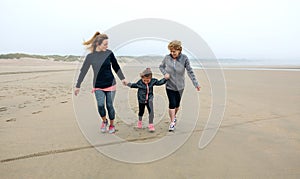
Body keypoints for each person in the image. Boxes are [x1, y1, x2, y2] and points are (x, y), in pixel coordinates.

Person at [74, 32, 127, 134]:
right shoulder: (90, 57)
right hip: (98, 85)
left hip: (111, 84)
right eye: (105, 44)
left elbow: (116, 66)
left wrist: (122, 78)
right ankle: (104, 121)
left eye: (107, 44)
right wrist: (78, 85)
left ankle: (112, 125)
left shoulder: (109, 53)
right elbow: (83, 71)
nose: (107, 46)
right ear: (98, 44)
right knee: (100, 105)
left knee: (109, 105)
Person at [159, 40, 201, 131]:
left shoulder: (184, 58)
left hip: (180, 86)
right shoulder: (167, 58)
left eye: (174, 51)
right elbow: (161, 66)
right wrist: (165, 73)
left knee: (177, 105)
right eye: (171, 51)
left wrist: (195, 83)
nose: (172, 53)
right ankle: (172, 122)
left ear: (179, 50)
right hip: (169, 85)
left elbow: (190, 71)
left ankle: (174, 116)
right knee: (172, 104)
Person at [126, 68, 167, 132]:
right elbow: (133, 85)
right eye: (144, 80)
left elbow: (159, 82)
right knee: (141, 111)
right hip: (141, 100)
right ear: (142, 78)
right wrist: (127, 84)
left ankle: (151, 124)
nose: (146, 82)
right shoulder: (140, 82)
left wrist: (165, 78)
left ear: (150, 78)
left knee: (151, 112)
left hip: (149, 99)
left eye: (148, 80)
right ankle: (140, 121)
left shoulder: (153, 81)